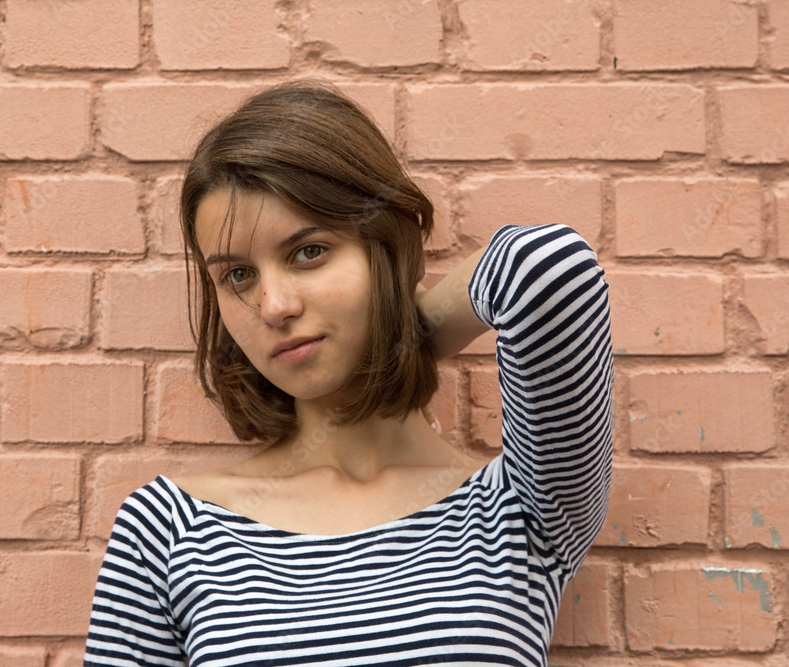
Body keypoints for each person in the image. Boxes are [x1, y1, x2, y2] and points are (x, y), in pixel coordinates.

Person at [84, 80, 614, 667]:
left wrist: (399, 342)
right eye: (238, 276)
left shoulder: (522, 508)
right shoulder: (169, 532)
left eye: (308, 251)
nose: (274, 305)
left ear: (386, 248)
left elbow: (545, 270)